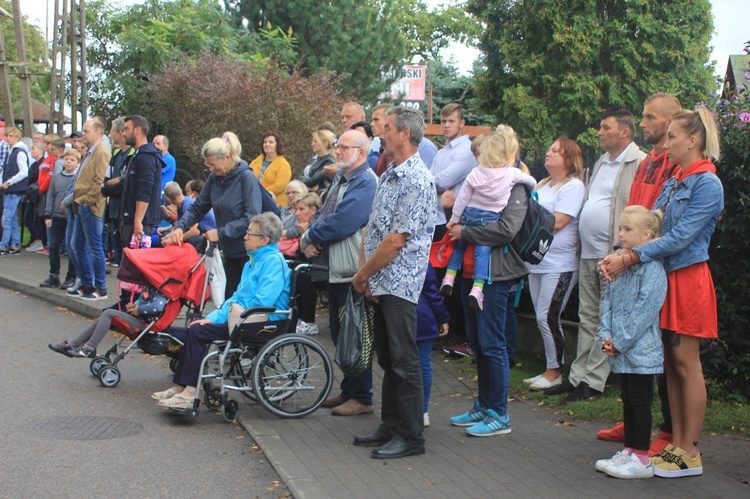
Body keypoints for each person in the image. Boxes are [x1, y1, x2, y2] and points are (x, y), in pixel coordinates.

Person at [600, 107, 724, 478]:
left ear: (693, 140)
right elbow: (652, 224)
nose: (665, 143)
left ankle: (691, 449)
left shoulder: (707, 184)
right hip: (668, 278)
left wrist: (632, 256)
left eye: (672, 137)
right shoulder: (675, 180)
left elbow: (681, 237)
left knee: (687, 365)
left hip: (688, 280)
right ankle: (676, 444)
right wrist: (625, 250)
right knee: (671, 366)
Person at [597, 93, 682, 456]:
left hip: (655, 264)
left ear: (671, 121)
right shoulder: (649, 163)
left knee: (661, 351)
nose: (642, 124)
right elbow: (634, 210)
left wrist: (635, 255)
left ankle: (668, 430)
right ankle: (633, 427)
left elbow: (666, 224)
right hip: (632, 259)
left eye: (649, 118)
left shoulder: (675, 164)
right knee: (638, 356)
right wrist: (622, 250)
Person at [352, 106, 435, 459]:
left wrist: (362, 274)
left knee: (405, 361)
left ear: (404, 133)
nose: (380, 134)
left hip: (399, 282)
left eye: (386, 128)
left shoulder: (417, 179)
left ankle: (412, 438)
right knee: (388, 358)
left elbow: (396, 240)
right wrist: (366, 274)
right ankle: (390, 426)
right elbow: (373, 229)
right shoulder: (389, 173)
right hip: (379, 279)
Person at [545, 108, 646, 402]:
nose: (599, 133)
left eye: (606, 128)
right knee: (587, 315)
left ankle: (595, 380)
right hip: (588, 252)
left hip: (612, 254)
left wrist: (623, 251)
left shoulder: (639, 162)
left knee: (606, 317)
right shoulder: (603, 161)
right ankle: (578, 377)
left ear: (624, 132)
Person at [153, 213, 290, 409]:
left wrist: (230, 316)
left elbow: (263, 301)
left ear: (265, 240)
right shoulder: (252, 262)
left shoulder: (273, 262)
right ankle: (181, 387)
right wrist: (213, 317)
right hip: (245, 316)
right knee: (197, 325)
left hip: (263, 320)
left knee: (197, 332)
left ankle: (189, 392)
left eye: (250, 234)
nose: (245, 237)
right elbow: (235, 298)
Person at [447, 124, 528, 438]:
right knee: (478, 343)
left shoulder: (515, 186)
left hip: (495, 275)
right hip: (470, 272)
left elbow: (507, 230)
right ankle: (483, 404)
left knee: (493, 344)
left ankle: (500, 414)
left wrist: (464, 232)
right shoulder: (481, 179)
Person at [301, 129, 378, 417]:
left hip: (352, 270)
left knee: (353, 334)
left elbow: (345, 221)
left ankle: (362, 396)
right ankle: (349, 390)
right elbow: (323, 215)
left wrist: (311, 237)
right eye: (338, 146)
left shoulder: (366, 182)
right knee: (339, 332)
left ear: (361, 152)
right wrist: (311, 236)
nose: (338, 151)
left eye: (345, 147)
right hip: (336, 267)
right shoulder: (341, 179)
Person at [594, 206, 667, 479]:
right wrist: (606, 336)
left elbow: (644, 313)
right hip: (620, 351)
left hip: (641, 352)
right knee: (627, 400)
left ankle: (643, 459)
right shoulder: (620, 267)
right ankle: (629, 451)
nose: (620, 234)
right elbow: (608, 304)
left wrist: (620, 341)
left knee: (640, 402)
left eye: (627, 229)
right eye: (620, 228)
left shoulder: (653, 270)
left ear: (646, 235)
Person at [439, 127, 537, 310]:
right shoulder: (509, 175)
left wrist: (458, 223)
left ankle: (451, 277)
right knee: (482, 250)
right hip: (481, 239)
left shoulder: (484, 175)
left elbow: (505, 230)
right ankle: (470, 285)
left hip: (489, 263)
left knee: (489, 335)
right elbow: (532, 182)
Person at [162, 132, 262, 297]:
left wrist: (221, 232)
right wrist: (180, 227)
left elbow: (252, 218)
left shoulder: (246, 178)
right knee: (228, 298)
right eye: (208, 165)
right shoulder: (215, 177)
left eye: (213, 165)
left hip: (247, 252)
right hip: (228, 250)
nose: (211, 169)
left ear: (227, 158)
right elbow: (198, 208)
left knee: (238, 299)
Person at [523, 138, 586, 391]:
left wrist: (529, 224)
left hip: (560, 264)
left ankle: (554, 372)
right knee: (542, 317)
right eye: (548, 149)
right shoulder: (542, 184)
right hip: (537, 262)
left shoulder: (573, 187)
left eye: (554, 151)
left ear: (569, 159)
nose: (548, 153)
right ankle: (549, 368)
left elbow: (558, 222)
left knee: (547, 316)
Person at [48, 285, 169, 358]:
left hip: (145, 323)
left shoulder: (159, 290)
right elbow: (142, 300)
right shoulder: (148, 286)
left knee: (108, 313)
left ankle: (90, 347)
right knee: (102, 319)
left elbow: (158, 307)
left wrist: (140, 309)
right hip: (138, 318)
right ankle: (73, 344)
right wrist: (134, 306)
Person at [67, 119, 112, 300]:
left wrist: (87, 200)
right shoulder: (91, 151)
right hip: (82, 203)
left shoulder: (101, 152)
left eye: (86, 131)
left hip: (91, 206)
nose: (83, 135)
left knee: (94, 247)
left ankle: (100, 287)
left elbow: (100, 181)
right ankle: (87, 283)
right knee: (76, 245)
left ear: (97, 133)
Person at [119, 115, 164, 250]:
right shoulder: (137, 155)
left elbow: (145, 190)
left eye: (127, 129)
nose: (123, 133)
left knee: (136, 267)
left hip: (140, 222)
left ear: (137, 130)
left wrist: (138, 221)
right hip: (131, 218)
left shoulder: (146, 157)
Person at [40, 149, 79, 289]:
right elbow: (51, 196)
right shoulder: (56, 177)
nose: (68, 162)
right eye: (66, 159)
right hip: (56, 216)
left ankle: (71, 277)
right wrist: (48, 214)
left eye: (72, 160)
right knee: (53, 246)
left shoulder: (77, 178)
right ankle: (54, 276)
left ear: (77, 163)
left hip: (71, 217)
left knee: (71, 247)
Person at [417, 263, 450, 427]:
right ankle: (422, 410)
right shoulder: (423, 258)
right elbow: (432, 291)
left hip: (401, 316)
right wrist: (442, 317)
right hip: (423, 317)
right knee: (424, 364)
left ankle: (404, 409)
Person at [286, 193, 322, 335]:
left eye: (301, 209)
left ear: (313, 210)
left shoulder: (318, 226)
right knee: (297, 271)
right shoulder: (302, 226)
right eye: (296, 210)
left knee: (304, 276)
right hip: (306, 265)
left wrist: (305, 235)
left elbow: (315, 251)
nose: (297, 214)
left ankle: (310, 322)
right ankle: (301, 317)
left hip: (323, 269)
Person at [158, 181, 217, 247]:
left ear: (168, 199)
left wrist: (174, 240)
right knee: (165, 235)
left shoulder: (187, 205)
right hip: (201, 232)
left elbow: (195, 231)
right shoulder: (181, 205)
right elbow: (178, 226)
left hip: (210, 234)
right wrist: (170, 236)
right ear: (180, 190)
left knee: (191, 240)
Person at [0, 127, 30, 256]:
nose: (9, 138)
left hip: (14, 189)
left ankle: (3, 246)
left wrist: (9, 182)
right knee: (12, 219)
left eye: (11, 136)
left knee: (6, 219)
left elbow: (23, 172)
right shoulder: (11, 151)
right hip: (10, 189)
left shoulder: (19, 152)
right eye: (7, 136)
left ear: (17, 137)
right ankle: (15, 245)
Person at [250, 131, 292, 207]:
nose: (267, 144)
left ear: (277, 145)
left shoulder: (283, 164)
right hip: (254, 203)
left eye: (271, 142)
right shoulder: (255, 162)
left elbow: (279, 186)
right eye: (265, 142)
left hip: (274, 204)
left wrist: (259, 192)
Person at [23, 142, 48, 252]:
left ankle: (38, 239)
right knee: (30, 218)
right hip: (31, 193)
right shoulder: (34, 164)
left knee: (30, 218)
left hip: (36, 194)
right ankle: (36, 239)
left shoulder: (41, 164)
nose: (31, 151)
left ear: (41, 150)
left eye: (34, 149)